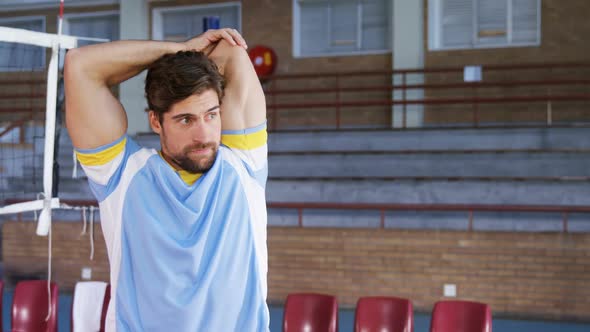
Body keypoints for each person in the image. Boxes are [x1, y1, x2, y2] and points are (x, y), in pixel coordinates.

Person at [64, 29, 269, 331]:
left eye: (211, 115)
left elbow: (231, 50)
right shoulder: (120, 175)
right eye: (185, 120)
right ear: (155, 121)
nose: (203, 135)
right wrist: (180, 48)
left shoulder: (244, 163)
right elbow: (80, 64)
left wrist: (186, 55)